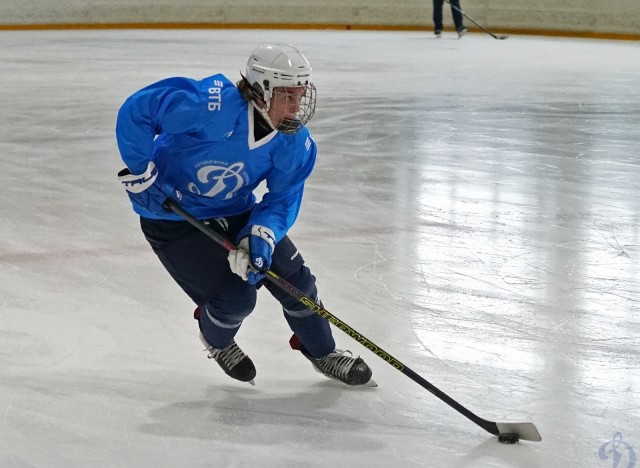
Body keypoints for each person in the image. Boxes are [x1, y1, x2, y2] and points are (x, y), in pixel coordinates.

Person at [115, 43, 375, 387]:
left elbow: (283, 196)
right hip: (173, 219)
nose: (297, 108)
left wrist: (261, 235)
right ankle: (218, 342)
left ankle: (323, 351)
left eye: (300, 96)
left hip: (236, 210)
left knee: (298, 283)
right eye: (287, 97)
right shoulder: (212, 107)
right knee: (235, 299)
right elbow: (139, 111)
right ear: (260, 91)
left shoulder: (293, 141)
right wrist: (140, 172)